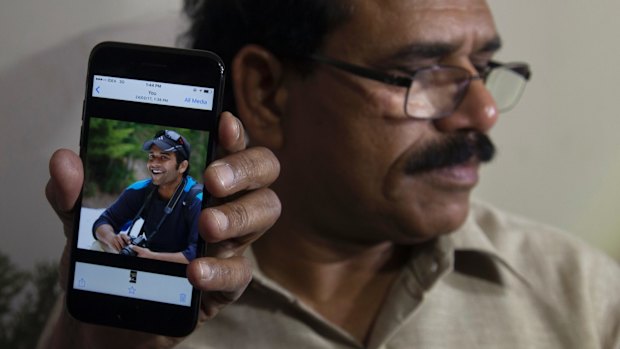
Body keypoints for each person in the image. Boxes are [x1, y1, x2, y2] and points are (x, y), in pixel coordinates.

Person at [39, 0, 620, 348]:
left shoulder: (584, 297)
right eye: (423, 74)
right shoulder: (127, 325)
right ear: (268, 90)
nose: (483, 113)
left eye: (485, 69)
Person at [92, 129, 202, 263]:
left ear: (182, 166)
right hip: (146, 258)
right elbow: (103, 222)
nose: (154, 164)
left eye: (164, 157)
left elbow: (196, 255)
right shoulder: (140, 190)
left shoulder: (197, 199)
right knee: (99, 245)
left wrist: (152, 257)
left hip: (180, 272)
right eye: (151, 156)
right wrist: (112, 238)